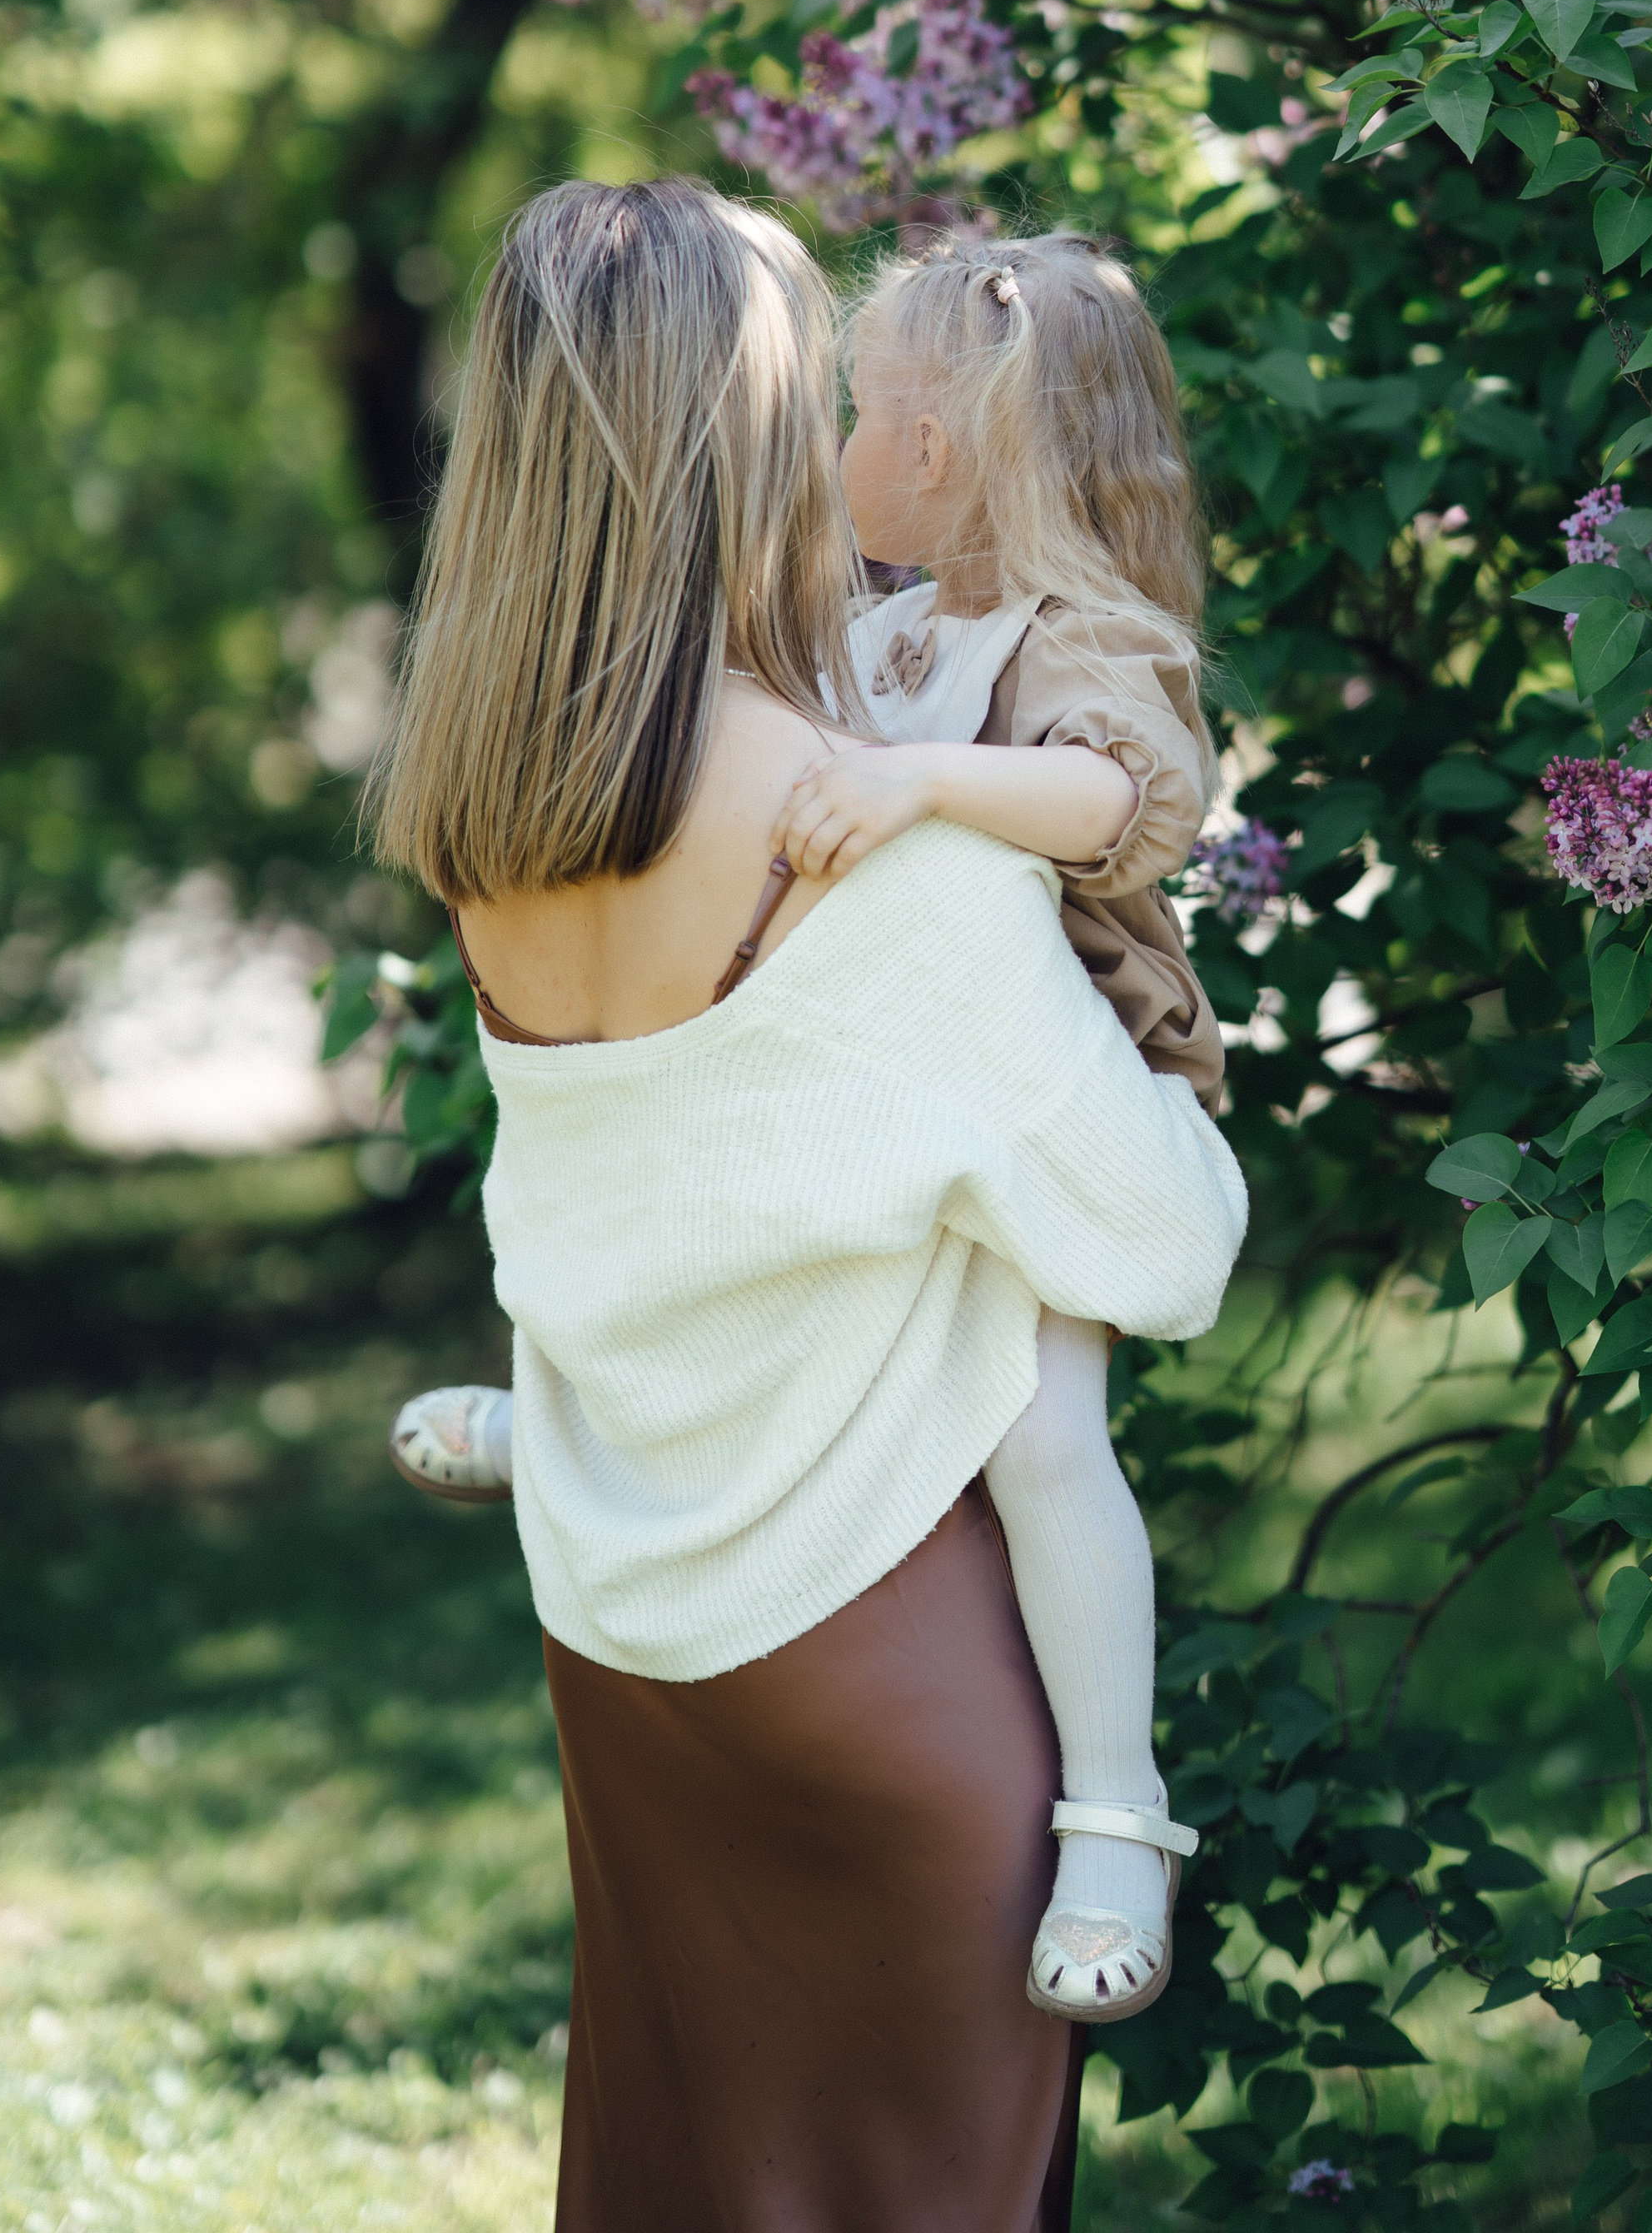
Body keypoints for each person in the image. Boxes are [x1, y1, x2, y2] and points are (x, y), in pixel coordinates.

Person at [365, 177, 1246, 2228]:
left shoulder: (489, 832)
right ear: (755, 447)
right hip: (883, 1674)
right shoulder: (871, 858)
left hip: (631, 1650)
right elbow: (1169, 1248)